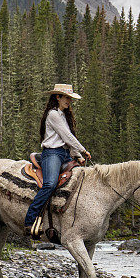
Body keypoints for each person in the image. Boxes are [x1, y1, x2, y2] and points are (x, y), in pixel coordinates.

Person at [24, 83, 92, 238]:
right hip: (52, 153)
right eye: (66, 97)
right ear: (58, 97)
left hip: (64, 154)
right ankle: (30, 220)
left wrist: (78, 156)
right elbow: (67, 137)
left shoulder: (63, 115)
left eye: (70, 98)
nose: (69, 101)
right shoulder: (53, 114)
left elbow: (66, 139)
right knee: (50, 184)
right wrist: (82, 150)